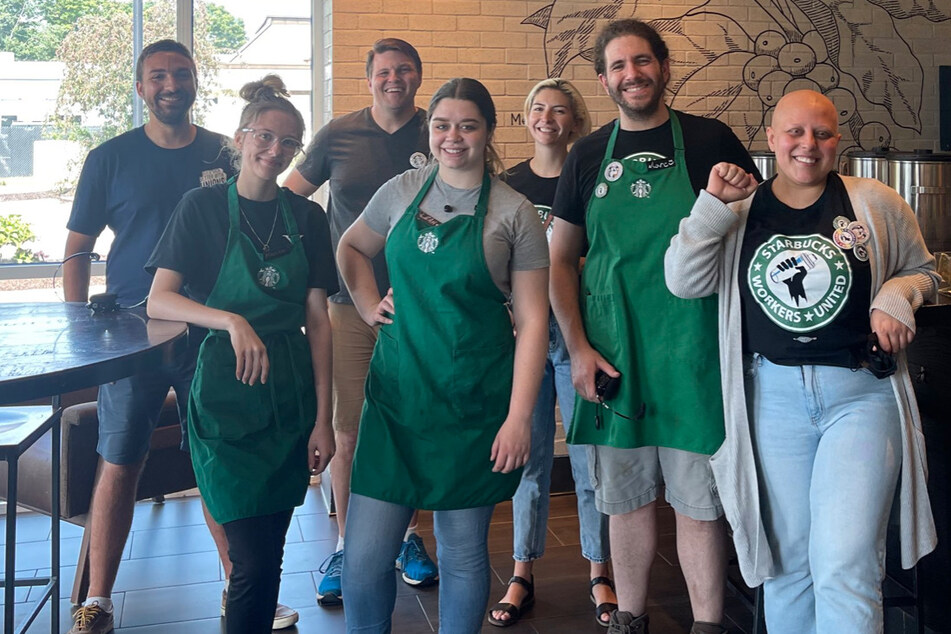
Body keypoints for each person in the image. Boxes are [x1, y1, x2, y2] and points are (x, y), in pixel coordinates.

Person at [665, 89, 938, 634]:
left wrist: (894, 295)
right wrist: (711, 207)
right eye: (794, 132)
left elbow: (924, 271)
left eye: (822, 133)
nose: (807, 145)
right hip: (771, 399)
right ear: (771, 139)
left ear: (837, 141)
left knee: (846, 563)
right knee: (787, 565)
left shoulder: (876, 201)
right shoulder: (739, 212)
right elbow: (683, 280)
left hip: (860, 397)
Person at [62, 39, 296, 634]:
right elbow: (78, 249)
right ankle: (97, 599)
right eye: (158, 76)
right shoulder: (109, 158)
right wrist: (77, 336)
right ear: (141, 88)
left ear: (196, 83)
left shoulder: (227, 149)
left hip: (213, 335)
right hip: (129, 341)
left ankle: (236, 589)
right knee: (119, 460)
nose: (171, 84)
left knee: (219, 458)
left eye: (182, 74)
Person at [548, 19, 761, 634]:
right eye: (617, 66)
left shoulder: (709, 138)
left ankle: (707, 624)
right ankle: (630, 618)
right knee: (626, 498)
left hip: (693, 350)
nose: (631, 74)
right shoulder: (587, 155)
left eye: (642, 62)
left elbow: (754, 231)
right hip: (615, 353)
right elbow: (561, 259)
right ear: (603, 79)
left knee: (699, 503)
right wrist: (580, 349)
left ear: (663, 68)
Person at [337, 77, 550, 633]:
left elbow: (531, 323)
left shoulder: (513, 212)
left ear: (488, 130)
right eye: (441, 124)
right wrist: (365, 303)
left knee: (462, 553)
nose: (453, 137)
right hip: (397, 399)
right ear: (428, 129)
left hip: (473, 403)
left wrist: (520, 418)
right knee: (362, 562)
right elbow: (352, 246)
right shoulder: (402, 189)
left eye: (467, 125)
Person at [145, 75, 337, 634]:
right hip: (225, 397)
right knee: (249, 558)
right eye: (264, 136)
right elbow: (159, 299)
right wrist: (231, 320)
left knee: (268, 555)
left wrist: (324, 420)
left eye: (288, 143)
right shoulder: (201, 207)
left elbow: (318, 320)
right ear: (240, 137)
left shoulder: (307, 217)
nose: (274, 151)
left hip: (289, 396)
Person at [282, 38, 437, 603]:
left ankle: (409, 538)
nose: (393, 79)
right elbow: (292, 199)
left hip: (421, 309)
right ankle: (348, 543)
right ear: (367, 78)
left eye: (403, 70)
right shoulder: (337, 135)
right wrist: (309, 275)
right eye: (383, 72)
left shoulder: (436, 129)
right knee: (348, 431)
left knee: (411, 425)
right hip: (349, 307)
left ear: (418, 76)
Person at [488, 78, 617, 629]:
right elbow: (491, 262)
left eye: (559, 110)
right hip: (520, 338)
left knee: (589, 459)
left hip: (576, 334)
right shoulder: (507, 184)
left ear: (575, 122)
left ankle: (600, 568)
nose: (547, 117)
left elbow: (603, 253)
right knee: (529, 459)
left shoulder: (587, 178)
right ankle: (522, 571)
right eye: (537, 108)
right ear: (527, 118)